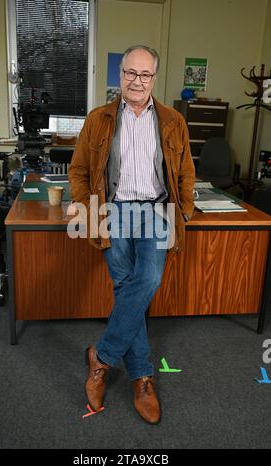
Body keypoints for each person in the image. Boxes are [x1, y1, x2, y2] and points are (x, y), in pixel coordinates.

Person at [68, 45, 195, 424]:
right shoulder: (99, 119)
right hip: (113, 210)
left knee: (149, 278)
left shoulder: (173, 120)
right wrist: (86, 205)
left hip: (156, 209)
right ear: (120, 75)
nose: (137, 81)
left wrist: (184, 209)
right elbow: (78, 171)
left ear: (154, 78)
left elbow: (186, 171)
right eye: (130, 73)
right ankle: (142, 376)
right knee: (126, 286)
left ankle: (102, 357)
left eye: (145, 75)